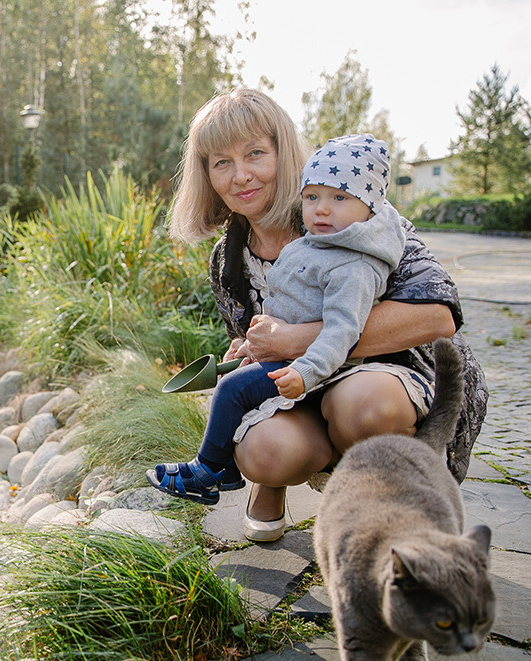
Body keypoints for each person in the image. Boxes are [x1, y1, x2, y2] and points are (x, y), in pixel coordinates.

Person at [150, 88, 487, 543]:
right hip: (304, 386)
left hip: (386, 373)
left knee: (364, 406)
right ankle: (268, 483)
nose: (241, 176)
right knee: (265, 451)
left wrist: (295, 339)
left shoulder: (345, 209)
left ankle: (378, 513)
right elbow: (264, 342)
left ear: (282, 152)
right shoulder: (227, 258)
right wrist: (252, 347)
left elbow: (437, 317)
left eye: (255, 154)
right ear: (206, 173)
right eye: (221, 162)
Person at [148, 132, 406, 507]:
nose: (320, 209)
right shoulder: (315, 243)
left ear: (369, 208)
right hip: (294, 365)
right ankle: (232, 469)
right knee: (235, 385)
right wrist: (252, 342)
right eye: (313, 197)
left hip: (320, 368)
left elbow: (343, 329)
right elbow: (290, 301)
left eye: (339, 198)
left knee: (232, 390)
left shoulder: (353, 263)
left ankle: (208, 471)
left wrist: (302, 365)